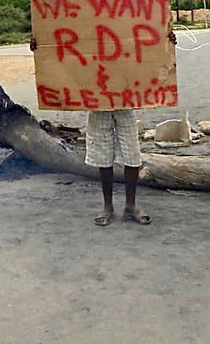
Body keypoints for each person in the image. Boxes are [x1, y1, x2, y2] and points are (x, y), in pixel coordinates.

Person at [30, 30, 177, 227]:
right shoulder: (91, 21)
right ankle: (108, 206)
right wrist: (42, 46)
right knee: (103, 154)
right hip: (97, 98)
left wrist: (166, 41)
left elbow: (144, 42)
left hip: (125, 98)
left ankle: (130, 205)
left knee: (132, 154)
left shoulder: (123, 20)